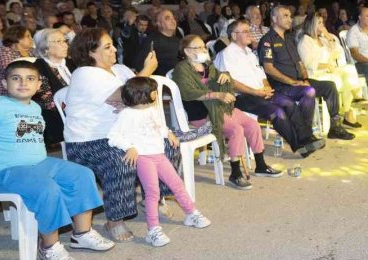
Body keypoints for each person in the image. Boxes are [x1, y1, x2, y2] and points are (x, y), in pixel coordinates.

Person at [0, 61, 115, 260]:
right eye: (16, 78)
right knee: (46, 188)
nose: (23, 83)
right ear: (4, 84)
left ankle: (82, 233)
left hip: (39, 163)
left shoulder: (35, 107)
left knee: (82, 174)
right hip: (2, 171)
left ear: (38, 85)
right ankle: (49, 245)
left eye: (30, 79)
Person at [63, 28, 176, 243]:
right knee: (123, 159)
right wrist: (146, 71)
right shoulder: (84, 73)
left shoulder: (121, 70)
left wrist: (129, 95)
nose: (114, 49)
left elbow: (136, 98)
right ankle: (114, 219)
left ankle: (153, 197)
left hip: (124, 132)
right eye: (107, 47)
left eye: (112, 44)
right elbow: (131, 95)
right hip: (89, 140)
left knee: (167, 145)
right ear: (90, 53)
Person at [107, 77, 211, 247]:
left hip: (159, 155)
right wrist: (129, 147)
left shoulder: (151, 109)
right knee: (152, 192)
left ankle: (191, 213)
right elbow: (113, 136)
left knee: (177, 184)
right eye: (154, 91)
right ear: (143, 94)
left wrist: (168, 133)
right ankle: (153, 230)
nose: (157, 94)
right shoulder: (127, 114)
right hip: (143, 157)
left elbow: (159, 125)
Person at [174, 35, 282, 189]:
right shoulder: (181, 69)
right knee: (236, 130)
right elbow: (188, 92)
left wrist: (225, 76)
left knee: (252, 124)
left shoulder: (207, 66)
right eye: (198, 47)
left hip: (219, 108)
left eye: (204, 47)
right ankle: (235, 173)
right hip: (201, 114)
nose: (204, 50)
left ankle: (261, 165)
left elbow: (225, 78)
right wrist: (217, 94)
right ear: (187, 51)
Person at [214, 19, 325, 157]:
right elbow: (231, 83)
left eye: (249, 31)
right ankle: (299, 145)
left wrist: (266, 88)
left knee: (289, 103)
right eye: (245, 31)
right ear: (234, 35)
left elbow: (262, 75)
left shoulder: (249, 52)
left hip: (261, 92)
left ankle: (306, 138)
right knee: (277, 111)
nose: (250, 34)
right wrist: (256, 92)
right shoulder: (226, 54)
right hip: (242, 97)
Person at [259, 6, 355, 141]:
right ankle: (305, 132)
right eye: (285, 16)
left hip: (298, 81)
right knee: (308, 91)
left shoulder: (288, 38)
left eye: (289, 16)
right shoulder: (268, 40)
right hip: (282, 85)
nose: (290, 19)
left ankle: (335, 127)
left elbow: (299, 62)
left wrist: (305, 78)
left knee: (330, 87)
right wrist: (291, 81)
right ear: (274, 19)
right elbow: (268, 68)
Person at [297, 14, 363, 128]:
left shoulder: (322, 39)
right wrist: (326, 65)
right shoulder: (305, 41)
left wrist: (328, 36)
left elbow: (337, 51)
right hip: (315, 75)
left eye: (323, 22)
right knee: (341, 81)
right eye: (319, 23)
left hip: (329, 70)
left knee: (350, 69)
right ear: (311, 24)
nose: (322, 25)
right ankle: (348, 108)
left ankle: (350, 104)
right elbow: (307, 63)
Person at [32, 28, 74, 146]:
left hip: (78, 115)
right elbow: (49, 103)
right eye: (58, 41)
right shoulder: (38, 68)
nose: (65, 45)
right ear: (45, 49)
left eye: (65, 41)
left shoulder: (71, 64)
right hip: (57, 120)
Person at [0, 26, 35, 96]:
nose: (31, 39)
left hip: (29, 92)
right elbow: (12, 71)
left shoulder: (32, 52)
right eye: (28, 36)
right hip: (7, 95)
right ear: (18, 38)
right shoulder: (4, 51)